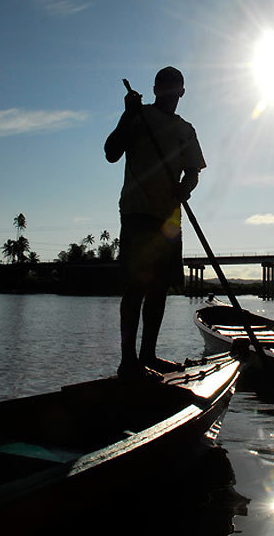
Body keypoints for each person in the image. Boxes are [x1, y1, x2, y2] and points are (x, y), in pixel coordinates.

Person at [104, 67, 206, 380]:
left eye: (175, 89)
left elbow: (193, 171)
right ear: (155, 89)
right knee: (136, 288)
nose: (170, 94)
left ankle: (148, 355)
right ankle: (128, 363)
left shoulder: (185, 129)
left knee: (159, 289)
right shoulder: (138, 116)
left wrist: (184, 188)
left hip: (169, 218)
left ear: (182, 92)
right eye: (164, 88)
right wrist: (126, 115)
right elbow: (111, 153)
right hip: (137, 213)